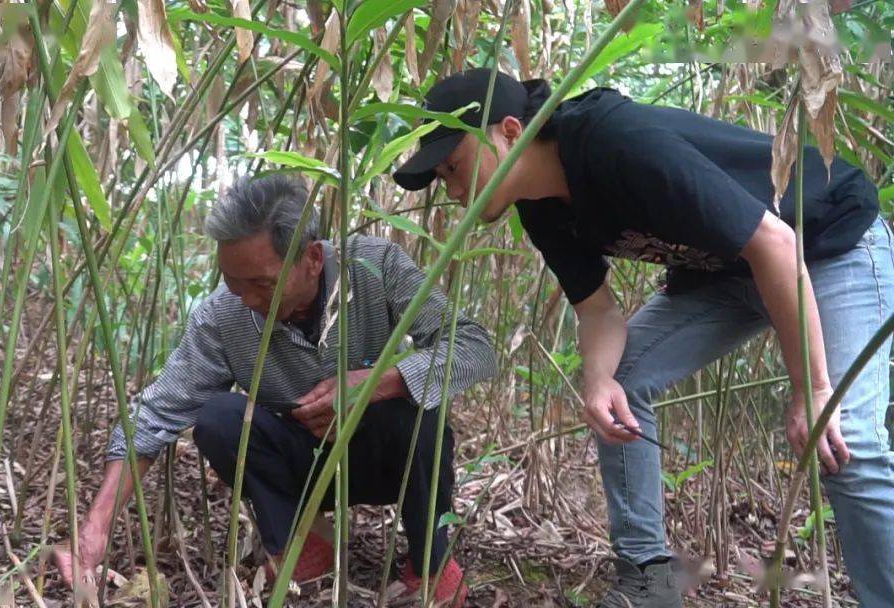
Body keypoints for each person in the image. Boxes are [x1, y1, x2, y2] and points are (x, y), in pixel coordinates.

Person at [391, 68, 893, 607]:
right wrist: (600, 378)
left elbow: (775, 244)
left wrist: (814, 388)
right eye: (443, 177)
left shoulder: (612, 139)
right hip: (726, 275)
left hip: (827, 248)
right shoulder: (539, 206)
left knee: (845, 441)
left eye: (454, 166)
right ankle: (648, 581)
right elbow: (598, 309)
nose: (455, 189)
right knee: (623, 385)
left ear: (510, 130)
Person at [53, 174, 497, 606]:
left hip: (385, 460)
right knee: (219, 419)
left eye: (263, 284)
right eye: (232, 281)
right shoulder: (223, 316)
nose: (246, 299)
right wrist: (95, 528)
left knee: (417, 410)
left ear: (313, 259)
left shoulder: (375, 266)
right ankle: (301, 543)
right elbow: (156, 414)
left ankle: (428, 562)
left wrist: (374, 385)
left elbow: (475, 347)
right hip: (300, 469)